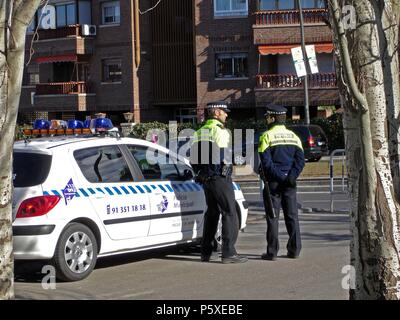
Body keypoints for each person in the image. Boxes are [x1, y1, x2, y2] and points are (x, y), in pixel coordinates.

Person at [190, 101, 247, 264]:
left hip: (206, 180)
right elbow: (223, 156)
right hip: (220, 178)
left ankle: (206, 252)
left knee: (212, 214)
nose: (226, 114)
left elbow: (194, 158)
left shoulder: (199, 131)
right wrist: (229, 166)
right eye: (224, 112)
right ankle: (229, 253)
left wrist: (202, 174)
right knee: (230, 212)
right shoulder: (219, 131)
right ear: (216, 113)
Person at [258, 105, 305, 261]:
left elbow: (266, 163)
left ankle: (272, 252)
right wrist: (290, 178)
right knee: (292, 216)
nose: (266, 119)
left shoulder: (266, 136)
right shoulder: (294, 136)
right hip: (290, 183)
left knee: (273, 217)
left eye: (267, 117)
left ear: (272, 118)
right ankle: (295, 250)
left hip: (273, 183)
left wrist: (279, 177)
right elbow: (300, 161)